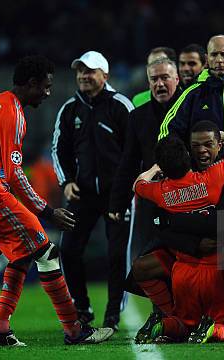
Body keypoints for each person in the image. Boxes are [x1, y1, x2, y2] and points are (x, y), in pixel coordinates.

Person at [0, 55, 113, 346]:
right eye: (45, 86)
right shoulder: (13, 115)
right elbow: (15, 173)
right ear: (31, 84)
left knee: (22, 254)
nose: (47, 92)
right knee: (47, 252)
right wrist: (47, 210)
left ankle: (1, 329)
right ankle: (74, 329)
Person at [132, 121, 224, 345]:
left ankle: (164, 322)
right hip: (216, 270)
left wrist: (154, 169)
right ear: (188, 154)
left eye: (209, 144)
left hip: (183, 272)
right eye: (196, 145)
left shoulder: (161, 192)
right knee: (223, 326)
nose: (202, 151)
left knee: (181, 321)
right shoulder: (212, 179)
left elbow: (138, 185)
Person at [51, 50, 134, 331]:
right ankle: (82, 307)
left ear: (105, 75)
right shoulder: (69, 109)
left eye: (90, 70)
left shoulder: (121, 105)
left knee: (116, 254)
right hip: (83, 193)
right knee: (70, 250)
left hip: (116, 194)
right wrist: (67, 182)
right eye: (80, 71)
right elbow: (58, 149)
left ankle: (112, 313)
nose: (84, 76)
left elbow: (134, 152)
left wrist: (127, 188)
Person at [108, 58, 180, 264]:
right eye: (154, 79)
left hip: (187, 198)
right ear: (148, 83)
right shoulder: (138, 117)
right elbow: (129, 161)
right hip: (153, 202)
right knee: (157, 263)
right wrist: (118, 202)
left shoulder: (190, 108)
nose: (159, 84)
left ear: (176, 79)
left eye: (165, 78)